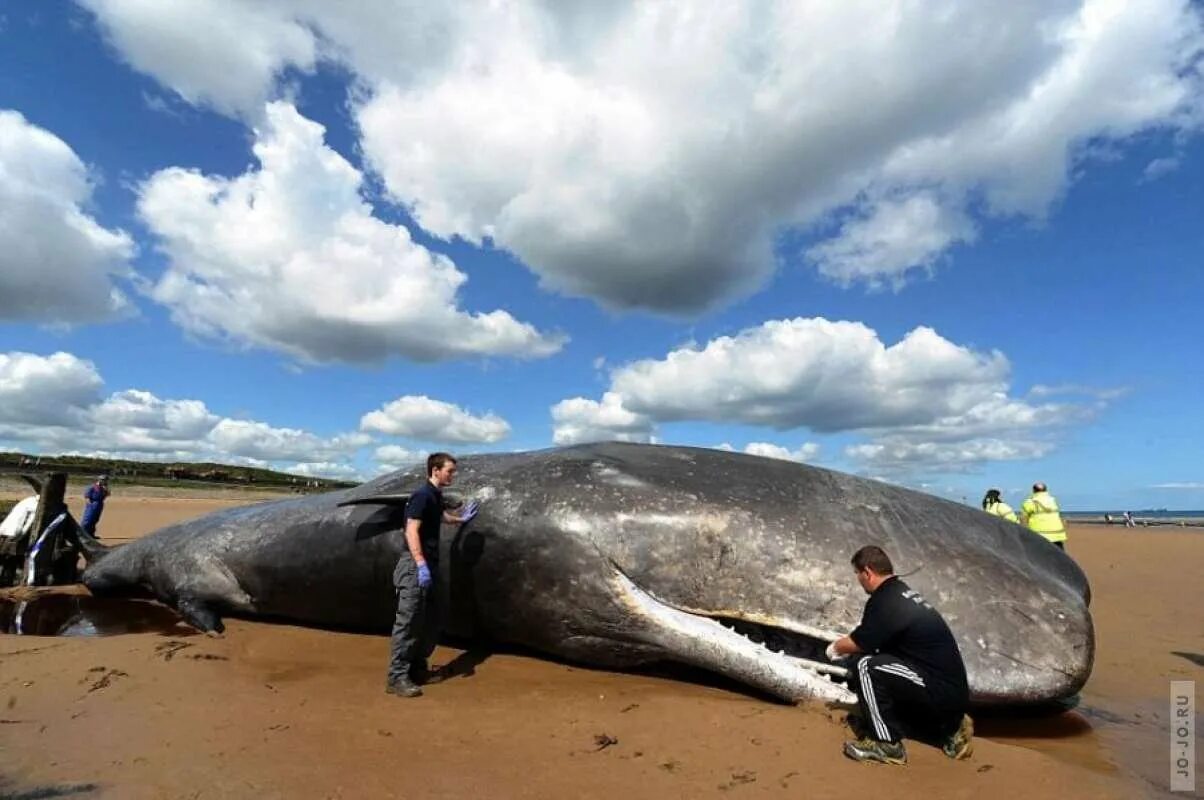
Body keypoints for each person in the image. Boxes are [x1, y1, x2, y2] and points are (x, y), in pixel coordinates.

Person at [824, 545, 973, 765]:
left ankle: (887, 745)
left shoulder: (885, 600)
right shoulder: (902, 593)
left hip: (939, 693)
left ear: (867, 572)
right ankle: (952, 726)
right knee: (879, 661)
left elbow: (859, 642)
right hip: (952, 694)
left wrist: (833, 649)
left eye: (857, 574)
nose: (858, 580)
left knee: (866, 666)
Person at [385, 453, 479, 698]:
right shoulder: (421, 495)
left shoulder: (435, 497)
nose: (452, 475)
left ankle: (417, 667)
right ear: (435, 470)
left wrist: (459, 519)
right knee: (409, 621)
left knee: (435, 617)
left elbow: (438, 516)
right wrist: (420, 563)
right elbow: (411, 529)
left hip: (431, 566)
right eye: (449, 471)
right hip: (416, 565)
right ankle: (397, 676)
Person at [1020, 482, 1068, 550]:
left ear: (1033, 491)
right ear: (1046, 490)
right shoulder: (1053, 500)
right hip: (1057, 534)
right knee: (1060, 557)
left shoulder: (1029, 502)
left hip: (1039, 536)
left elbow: (1023, 519)